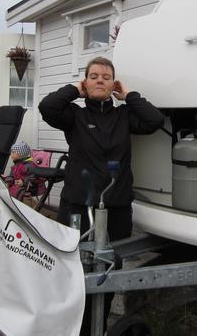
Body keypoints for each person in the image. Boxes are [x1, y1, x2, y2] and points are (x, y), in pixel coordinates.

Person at [38, 56, 164, 334]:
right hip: (78, 205)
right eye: (94, 76)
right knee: (72, 269)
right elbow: (47, 107)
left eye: (106, 77)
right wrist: (75, 90)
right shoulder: (75, 115)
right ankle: (69, 327)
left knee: (109, 270)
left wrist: (129, 95)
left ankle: (98, 327)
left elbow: (154, 120)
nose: (99, 81)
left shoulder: (124, 115)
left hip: (116, 205)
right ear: (85, 82)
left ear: (113, 84)